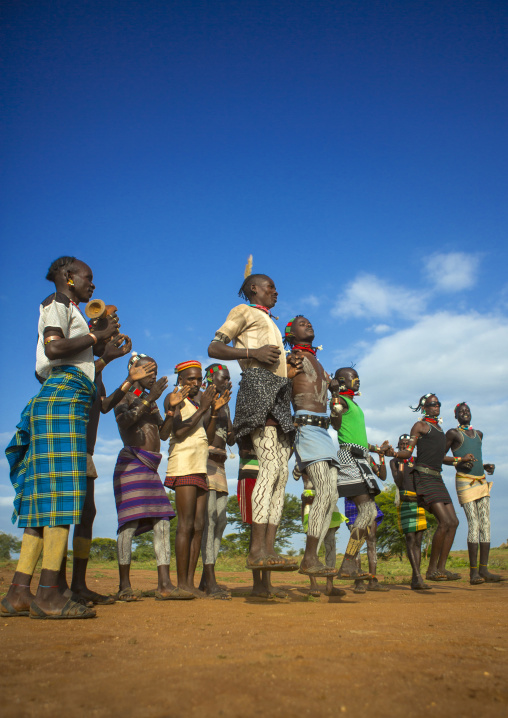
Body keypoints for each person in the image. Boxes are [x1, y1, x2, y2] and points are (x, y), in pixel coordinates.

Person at [2, 256, 117, 619]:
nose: (93, 285)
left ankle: (20, 592)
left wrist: (104, 347)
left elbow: (79, 353)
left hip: (61, 395)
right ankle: (50, 594)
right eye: (88, 277)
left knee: (44, 501)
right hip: (63, 397)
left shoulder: (69, 309)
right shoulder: (56, 305)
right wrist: (96, 335)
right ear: (68, 277)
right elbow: (54, 349)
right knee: (62, 496)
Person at [208, 271, 301, 570]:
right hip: (257, 386)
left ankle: (268, 550)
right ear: (253, 288)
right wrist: (253, 352)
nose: (276, 292)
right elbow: (214, 347)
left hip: (278, 392)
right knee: (270, 469)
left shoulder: (270, 321)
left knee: (281, 476)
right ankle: (256, 551)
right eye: (271, 287)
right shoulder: (243, 311)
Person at [114, 353, 193, 600]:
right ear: (133, 370)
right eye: (148, 370)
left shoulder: (153, 401)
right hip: (131, 464)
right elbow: (125, 422)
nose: (153, 376)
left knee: (163, 521)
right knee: (129, 523)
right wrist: (149, 399)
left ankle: (164, 585)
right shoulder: (124, 396)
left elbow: (162, 435)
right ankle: (124, 586)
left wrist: (171, 411)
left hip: (150, 468)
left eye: (155, 371)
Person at [387, 393, 474, 582]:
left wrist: (461, 459)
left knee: (454, 522)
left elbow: (441, 458)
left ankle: (441, 568)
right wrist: (391, 452)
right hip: (424, 476)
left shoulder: (440, 430)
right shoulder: (420, 426)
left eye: (438, 404)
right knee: (444, 522)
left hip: (437, 477)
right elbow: (408, 451)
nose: (436, 407)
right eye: (432, 404)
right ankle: (431, 570)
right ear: (424, 407)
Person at [165, 361, 228, 596]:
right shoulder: (174, 399)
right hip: (183, 465)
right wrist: (204, 408)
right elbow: (179, 431)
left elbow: (208, 435)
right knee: (186, 524)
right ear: (180, 379)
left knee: (200, 526)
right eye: (190, 378)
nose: (195, 383)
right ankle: (181, 583)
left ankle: (190, 584)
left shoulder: (198, 402)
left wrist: (213, 411)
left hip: (200, 466)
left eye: (198, 379)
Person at [284, 315, 339, 577]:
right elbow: (282, 387)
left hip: (324, 431)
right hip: (305, 428)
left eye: (310, 322)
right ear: (291, 333)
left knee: (332, 496)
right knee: (325, 492)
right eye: (301, 323)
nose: (309, 324)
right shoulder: (291, 356)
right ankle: (309, 557)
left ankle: (315, 558)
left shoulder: (316, 361)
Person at [329, 367, 389, 580]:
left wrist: (376, 450)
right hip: (349, 460)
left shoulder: (352, 403)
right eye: (352, 377)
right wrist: (334, 396)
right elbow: (335, 424)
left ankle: (348, 561)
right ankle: (347, 562)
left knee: (369, 513)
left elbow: (358, 439)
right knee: (367, 511)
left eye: (357, 377)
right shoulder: (342, 402)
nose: (357, 380)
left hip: (361, 458)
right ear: (341, 381)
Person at [446, 403, 500, 585]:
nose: (465, 413)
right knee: (474, 524)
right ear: (456, 416)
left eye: (467, 411)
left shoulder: (479, 435)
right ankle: (473, 573)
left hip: (481, 480)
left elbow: (476, 457)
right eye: (461, 412)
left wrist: (484, 466)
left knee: (485, 523)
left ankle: (484, 569)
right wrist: (459, 461)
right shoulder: (453, 434)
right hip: (464, 481)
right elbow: (439, 456)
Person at [236, 435, 289, 599]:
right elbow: (243, 449)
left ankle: (266, 583)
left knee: (268, 532)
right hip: (251, 474)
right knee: (256, 529)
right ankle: (257, 584)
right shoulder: (251, 422)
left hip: (270, 476)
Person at [199, 363, 233, 598]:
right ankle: (209, 579)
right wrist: (215, 407)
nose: (228, 382)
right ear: (211, 378)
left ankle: (206, 577)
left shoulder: (224, 403)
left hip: (220, 465)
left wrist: (226, 408)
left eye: (229, 379)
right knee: (209, 520)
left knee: (221, 521)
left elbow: (229, 437)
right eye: (223, 378)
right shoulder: (204, 398)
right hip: (205, 463)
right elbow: (204, 434)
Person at [298, 467, 347, 598]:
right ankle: (313, 584)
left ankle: (330, 585)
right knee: (313, 546)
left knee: (330, 544)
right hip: (312, 502)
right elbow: (297, 474)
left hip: (328, 501)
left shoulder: (330, 460)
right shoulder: (305, 460)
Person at [343, 455, 389, 593]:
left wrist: (381, 458)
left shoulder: (367, 458)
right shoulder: (346, 457)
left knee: (371, 539)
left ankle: (373, 580)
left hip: (369, 501)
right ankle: (358, 581)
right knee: (356, 541)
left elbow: (382, 475)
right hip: (352, 503)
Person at [390, 434, 430, 590]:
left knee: (418, 541)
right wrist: (400, 463)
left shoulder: (417, 461)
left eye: (407, 444)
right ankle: (417, 576)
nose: (404, 446)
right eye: (401, 444)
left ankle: (416, 577)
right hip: (406, 501)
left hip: (419, 502)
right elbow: (398, 482)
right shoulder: (393, 462)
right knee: (410, 539)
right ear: (398, 445)